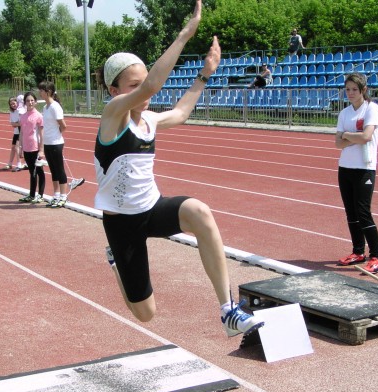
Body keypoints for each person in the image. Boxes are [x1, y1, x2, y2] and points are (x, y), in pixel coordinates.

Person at [94, 0, 264, 337]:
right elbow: (153, 87)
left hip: (152, 208)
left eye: (142, 82)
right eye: (133, 86)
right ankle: (117, 259)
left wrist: (204, 75)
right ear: (115, 91)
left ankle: (227, 309)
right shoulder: (113, 117)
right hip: (122, 224)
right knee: (145, 314)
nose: (142, 90)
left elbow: (182, 112)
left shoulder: (151, 121)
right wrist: (185, 35)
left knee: (200, 212)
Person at [335, 73, 378, 274]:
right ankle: (358, 251)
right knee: (351, 213)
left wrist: (347, 135)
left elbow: (366, 136)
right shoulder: (344, 113)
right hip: (345, 167)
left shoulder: (371, 109)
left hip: (364, 168)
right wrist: (350, 137)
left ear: (363, 90)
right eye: (347, 89)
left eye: (354, 89)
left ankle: (376, 256)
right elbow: (338, 144)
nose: (350, 93)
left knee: (363, 213)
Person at [38, 80, 85, 208]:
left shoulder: (55, 107)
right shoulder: (45, 107)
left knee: (59, 170)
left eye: (41, 90)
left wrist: (56, 134)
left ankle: (63, 196)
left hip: (56, 143)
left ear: (48, 92)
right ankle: (56, 195)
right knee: (53, 170)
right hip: (48, 142)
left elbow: (63, 126)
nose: (39, 92)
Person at [18, 91, 46, 203]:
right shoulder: (23, 116)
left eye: (32, 100)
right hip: (26, 148)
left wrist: (41, 150)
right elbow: (21, 133)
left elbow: (41, 134)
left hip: (35, 148)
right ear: (24, 102)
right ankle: (31, 194)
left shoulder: (39, 116)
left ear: (35, 102)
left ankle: (40, 194)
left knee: (39, 171)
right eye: (28, 101)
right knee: (31, 172)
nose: (30, 102)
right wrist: (20, 147)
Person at [5, 97, 26, 171]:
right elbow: (12, 123)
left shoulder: (20, 111)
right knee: (13, 147)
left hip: (21, 131)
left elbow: (21, 123)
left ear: (17, 103)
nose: (13, 105)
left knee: (17, 147)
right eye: (11, 104)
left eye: (14, 103)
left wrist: (16, 124)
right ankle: (10, 163)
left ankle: (19, 164)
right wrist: (16, 124)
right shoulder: (12, 112)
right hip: (16, 132)